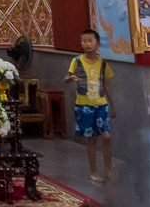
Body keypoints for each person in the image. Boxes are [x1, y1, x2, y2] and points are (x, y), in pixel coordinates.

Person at [65, 28, 115, 184]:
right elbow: (66, 77)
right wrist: (71, 78)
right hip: (84, 106)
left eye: (89, 41)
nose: (86, 44)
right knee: (91, 139)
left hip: (101, 105)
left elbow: (106, 85)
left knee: (106, 137)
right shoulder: (77, 61)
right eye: (83, 41)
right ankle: (93, 171)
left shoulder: (103, 64)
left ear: (97, 43)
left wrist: (112, 105)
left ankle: (108, 168)